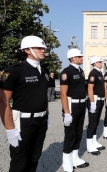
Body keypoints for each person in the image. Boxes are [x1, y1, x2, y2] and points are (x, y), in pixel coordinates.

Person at [0, 36, 49, 172]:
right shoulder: (15, 70)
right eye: (39, 48)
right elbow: (4, 100)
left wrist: (47, 115)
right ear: (27, 50)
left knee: (34, 158)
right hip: (23, 122)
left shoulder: (44, 71)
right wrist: (10, 130)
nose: (43, 50)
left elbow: (43, 95)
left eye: (43, 48)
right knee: (19, 162)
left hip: (41, 120)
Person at [60, 48, 89, 171]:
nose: (81, 58)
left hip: (81, 104)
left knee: (78, 132)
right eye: (79, 57)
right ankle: (66, 162)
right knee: (70, 134)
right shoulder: (67, 72)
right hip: (72, 106)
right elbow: (62, 93)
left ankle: (75, 158)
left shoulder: (81, 71)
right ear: (72, 58)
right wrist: (66, 112)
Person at [86, 56, 106, 156]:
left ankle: (94, 141)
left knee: (96, 122)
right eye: (99, 62)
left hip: (100, 100)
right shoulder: (93, 73)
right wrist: (92, 102)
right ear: (94, 63)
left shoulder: (99, 73)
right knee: (92, 123)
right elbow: (90, 88)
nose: (101, 63)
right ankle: (89, 145)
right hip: (95, 100)